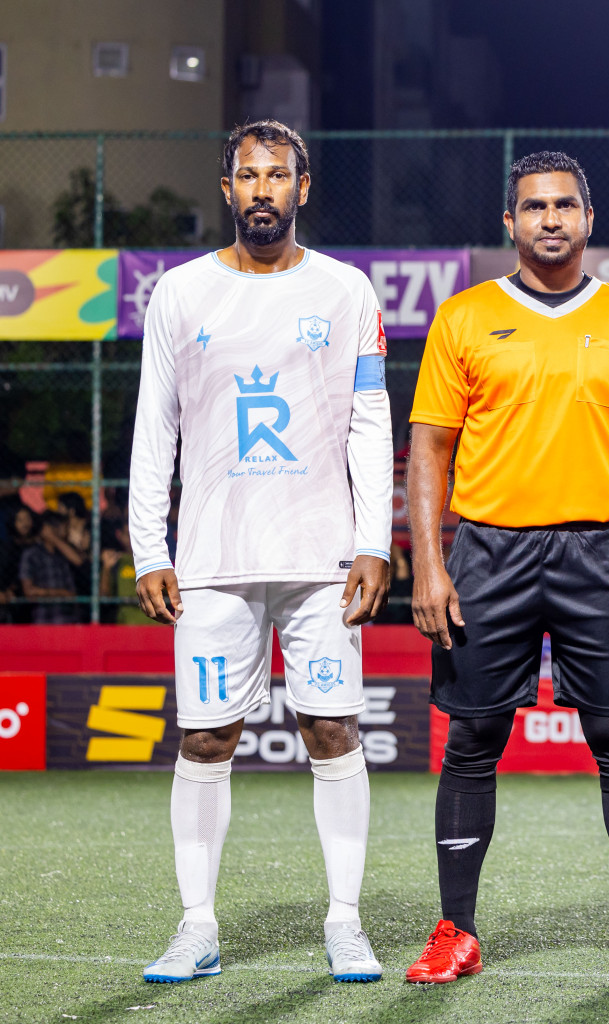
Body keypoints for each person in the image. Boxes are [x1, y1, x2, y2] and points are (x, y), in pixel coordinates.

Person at [406, 151, 609, 985]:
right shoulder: (463, 318)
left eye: (565, 205)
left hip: (603, 550)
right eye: (534, 207)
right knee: (474, 738)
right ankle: (456, 930)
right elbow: (430, 448)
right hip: (489, 549)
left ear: (589, 219)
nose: (551, 219)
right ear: (510, 222)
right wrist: (429, 564)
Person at [129, 120, 394, 984]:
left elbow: (368, 420)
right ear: (228, 187)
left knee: (332, 729)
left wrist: (372, 540)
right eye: (248, 176)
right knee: (205, 741)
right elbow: (154, 427)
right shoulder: (178, 294)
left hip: (322, 561)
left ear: (303, 187)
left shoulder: (348, 290)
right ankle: (197, 925)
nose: (263, 190)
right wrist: (147, 547)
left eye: (278, 175)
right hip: (211, 561)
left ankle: (346, 921)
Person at [19, 510, 80, 623]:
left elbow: (78, 561)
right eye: (63, 527)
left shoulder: (63, 553)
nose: (66, 531)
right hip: (45, 619)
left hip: (69, 619)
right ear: (50, 528)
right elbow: (29, 592)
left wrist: (53, 538)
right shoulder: (31, 555)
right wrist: (62, 593)